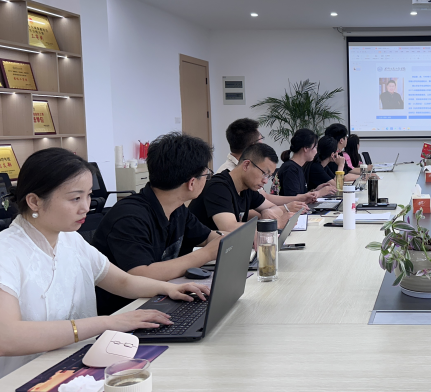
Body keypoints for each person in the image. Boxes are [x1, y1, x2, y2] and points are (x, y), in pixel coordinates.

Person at [0, 148, 210, 379]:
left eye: (89, 195)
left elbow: (122, 281)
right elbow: (7, 337)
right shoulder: (6, 252)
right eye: (75, 198)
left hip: (81, 363)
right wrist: (108, 322)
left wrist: (169, 288)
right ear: (34, 201)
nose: (86, 207)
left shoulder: (70, 240)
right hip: (23, 379)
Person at [92, 132, 223, 315]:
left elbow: (209, 237)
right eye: (206, 175)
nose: (206, 180)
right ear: (192, 183)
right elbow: (142, 274)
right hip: (125, 312)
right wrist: (207, 253)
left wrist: (229, 239)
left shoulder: (177, 209)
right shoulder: (129, 217)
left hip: (162, 298)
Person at [189, 143, 298, 233]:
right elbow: (229, 228)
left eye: (269, 176)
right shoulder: (218, 187)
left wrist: (266, 211)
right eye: (264, 173)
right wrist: (274, 224)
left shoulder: (247, 188)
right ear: (246, 165)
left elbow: (274, 207)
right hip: (198, 250)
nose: (265, 181)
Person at [217, 118, 316, 208]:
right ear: (253, 146)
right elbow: (239, 211)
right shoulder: (227, 175)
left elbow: (264, 198)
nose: (265, 181)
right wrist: (278, 210)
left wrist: (299, 199)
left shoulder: (250, 168)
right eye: (261, 139)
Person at [278, 129, 319, 197]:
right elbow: (294, 198)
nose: (316, 152)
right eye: (315, 147)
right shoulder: (290, 169)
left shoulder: (297, 167)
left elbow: (300, 194)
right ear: (306, 148)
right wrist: (319, 193)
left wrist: (315, 191)